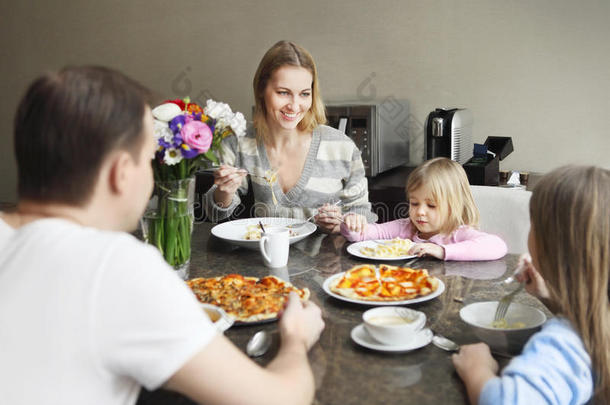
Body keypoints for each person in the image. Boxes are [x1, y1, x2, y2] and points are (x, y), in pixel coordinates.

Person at [0, 66, 324, 405]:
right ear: (121, 173)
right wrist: (296, 340)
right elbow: (278, 400)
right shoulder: (118, 267)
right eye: (148, 159)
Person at [453, 165, 610, 404]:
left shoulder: (563, 344)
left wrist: (478, 369)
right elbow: (588, 319)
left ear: (552, 246)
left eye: (534, 224)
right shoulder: (599, 323)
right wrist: (548, 296)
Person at [204, 40, 377, 233]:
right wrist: (224, 191)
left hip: (328, 261)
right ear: (262, 89)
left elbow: (364, 216)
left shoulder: (341, 147)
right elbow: (215, 214)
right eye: (283, 93)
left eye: (304, 94)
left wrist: (342, 225)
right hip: (265, 258)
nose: (294, 106)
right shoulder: (240, 142)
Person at [341, 157, 507, 261]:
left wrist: (442, 251)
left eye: (431, 205)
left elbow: (497, 246)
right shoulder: (405, 227)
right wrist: (351, 224)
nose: (420, 211)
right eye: (414, 203)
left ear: (453, 206)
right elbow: (363, 234)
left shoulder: (457, 233)